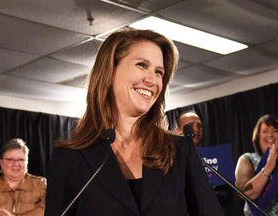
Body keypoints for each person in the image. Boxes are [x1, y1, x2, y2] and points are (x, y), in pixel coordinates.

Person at [45, 29, 224, 216]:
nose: (152, 80)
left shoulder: (179, 151)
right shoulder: (69, 159)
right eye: (141, 65)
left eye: (159, 72)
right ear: (109, 71)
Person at [175, 110, 232, 207]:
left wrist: (207, 192)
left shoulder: (213, 156)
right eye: (190, 125)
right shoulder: (172, 160)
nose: (196, 129)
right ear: (178, 131)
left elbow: (226, 196)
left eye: (199, 125)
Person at [0, 139, 47, 216]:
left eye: (21, 160)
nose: (16, 164)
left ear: (27, 162)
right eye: (10, 159)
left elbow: (48, 211)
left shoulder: (41, 185)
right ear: (1, 163)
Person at [235, 114, 278, 215]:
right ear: (258, 136)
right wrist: (268, 167)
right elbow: (246, 193)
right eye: (265, 131)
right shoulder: (247, 159)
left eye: (275, 131)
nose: (270, 135)